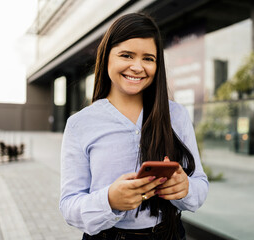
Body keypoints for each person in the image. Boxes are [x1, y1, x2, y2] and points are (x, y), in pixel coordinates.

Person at [59, 13, 209, 240]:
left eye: (148, 58)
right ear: (107, 57)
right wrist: (109, 200)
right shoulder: (80, 123)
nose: (137, 67)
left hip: (169, 234)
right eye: (126, 55)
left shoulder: (176, 115)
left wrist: (185, 188)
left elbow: (200, 184)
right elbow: (69, 206)